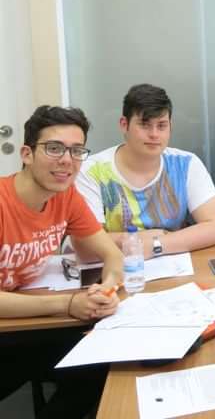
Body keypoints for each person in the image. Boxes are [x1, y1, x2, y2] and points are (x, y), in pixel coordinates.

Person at [0, 105, 123, 419]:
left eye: (77, 150)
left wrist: (107, 290)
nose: (67, 160)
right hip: (13, 325)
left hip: (20, 324)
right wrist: (68, 304)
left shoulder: (65, 196)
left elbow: (112, 255)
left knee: (97, 363)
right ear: (27, 154)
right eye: (54, 148)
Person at [76, 84, 215, 258]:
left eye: (161, 126)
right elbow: (85, 246)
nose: (154, 134)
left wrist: (156, 244)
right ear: (124, 125)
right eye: (145, 125)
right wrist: (138, 239)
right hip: (114, 270)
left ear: (170, 126)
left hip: (175, 267)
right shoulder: (91, 170)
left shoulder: (186, 163)